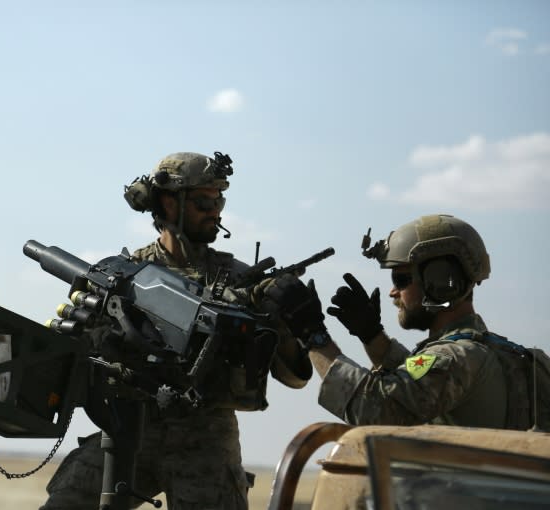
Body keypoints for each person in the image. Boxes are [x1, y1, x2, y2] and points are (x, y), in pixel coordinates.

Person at [40, 152, 313, 510]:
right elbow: (84, 350)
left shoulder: (243, 282)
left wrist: (286, 323)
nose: (215, 210)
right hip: (130, 425)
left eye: (219, 200)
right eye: (204, 201)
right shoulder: (125, 275)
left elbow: (294, 377)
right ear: (169, 203)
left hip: (206, 440)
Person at [281, 213, 533, 429]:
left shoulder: (458, 358)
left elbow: (374, 410)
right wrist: (372, 337)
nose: (393, 292)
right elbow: (416, 383)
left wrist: (312, 335)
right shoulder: (483, 351)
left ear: (440, 282)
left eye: (400, 280)